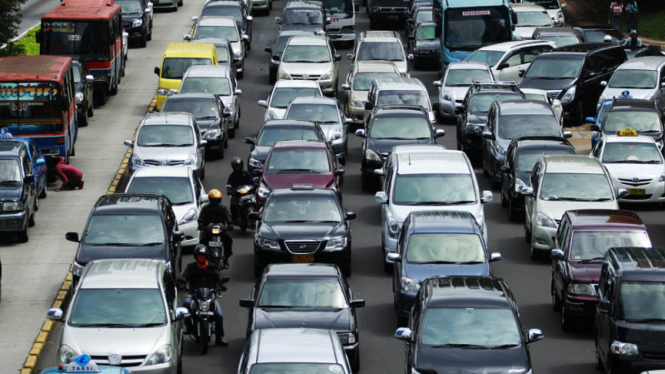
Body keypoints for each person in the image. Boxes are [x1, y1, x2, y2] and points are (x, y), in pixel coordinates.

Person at [179, 245, 229, 346]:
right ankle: (188, 327)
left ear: (206, 256)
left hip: (210, 297)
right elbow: (185, 276)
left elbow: (218, 276)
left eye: (203, 256)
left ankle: (219, 338)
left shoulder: (212, 267)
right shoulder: (191, 267)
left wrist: (221, 284)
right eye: (199, 256)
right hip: (195, 296)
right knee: (186, 304)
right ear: (196, 257)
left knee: (219, 315)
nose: (201, 258)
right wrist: (182, 283)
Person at [198, 189, 233, 267]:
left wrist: (230, 224)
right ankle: (202, 260)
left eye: (217, 200)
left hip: (221, 232)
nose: (215, 203)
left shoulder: (224, 208)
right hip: (208, 232)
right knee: (202, 242)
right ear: (210, 200)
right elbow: (200, 219)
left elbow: (228, 217)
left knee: (228, 240)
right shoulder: (205, 209)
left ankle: (226, 259)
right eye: (214, 200)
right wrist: (201, 226)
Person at [226, 157, 254, 223]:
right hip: (237, 194)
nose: (238, 167)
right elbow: (229, 184)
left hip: (247, 193)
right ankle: (234, 218)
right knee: (233, 204)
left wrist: (254, 184)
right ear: (233, 167)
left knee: (255, 201)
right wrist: (229, 190)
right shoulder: (232, 176)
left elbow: (252, 180)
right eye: (236, 166)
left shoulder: (246, 173)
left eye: (239, 165)